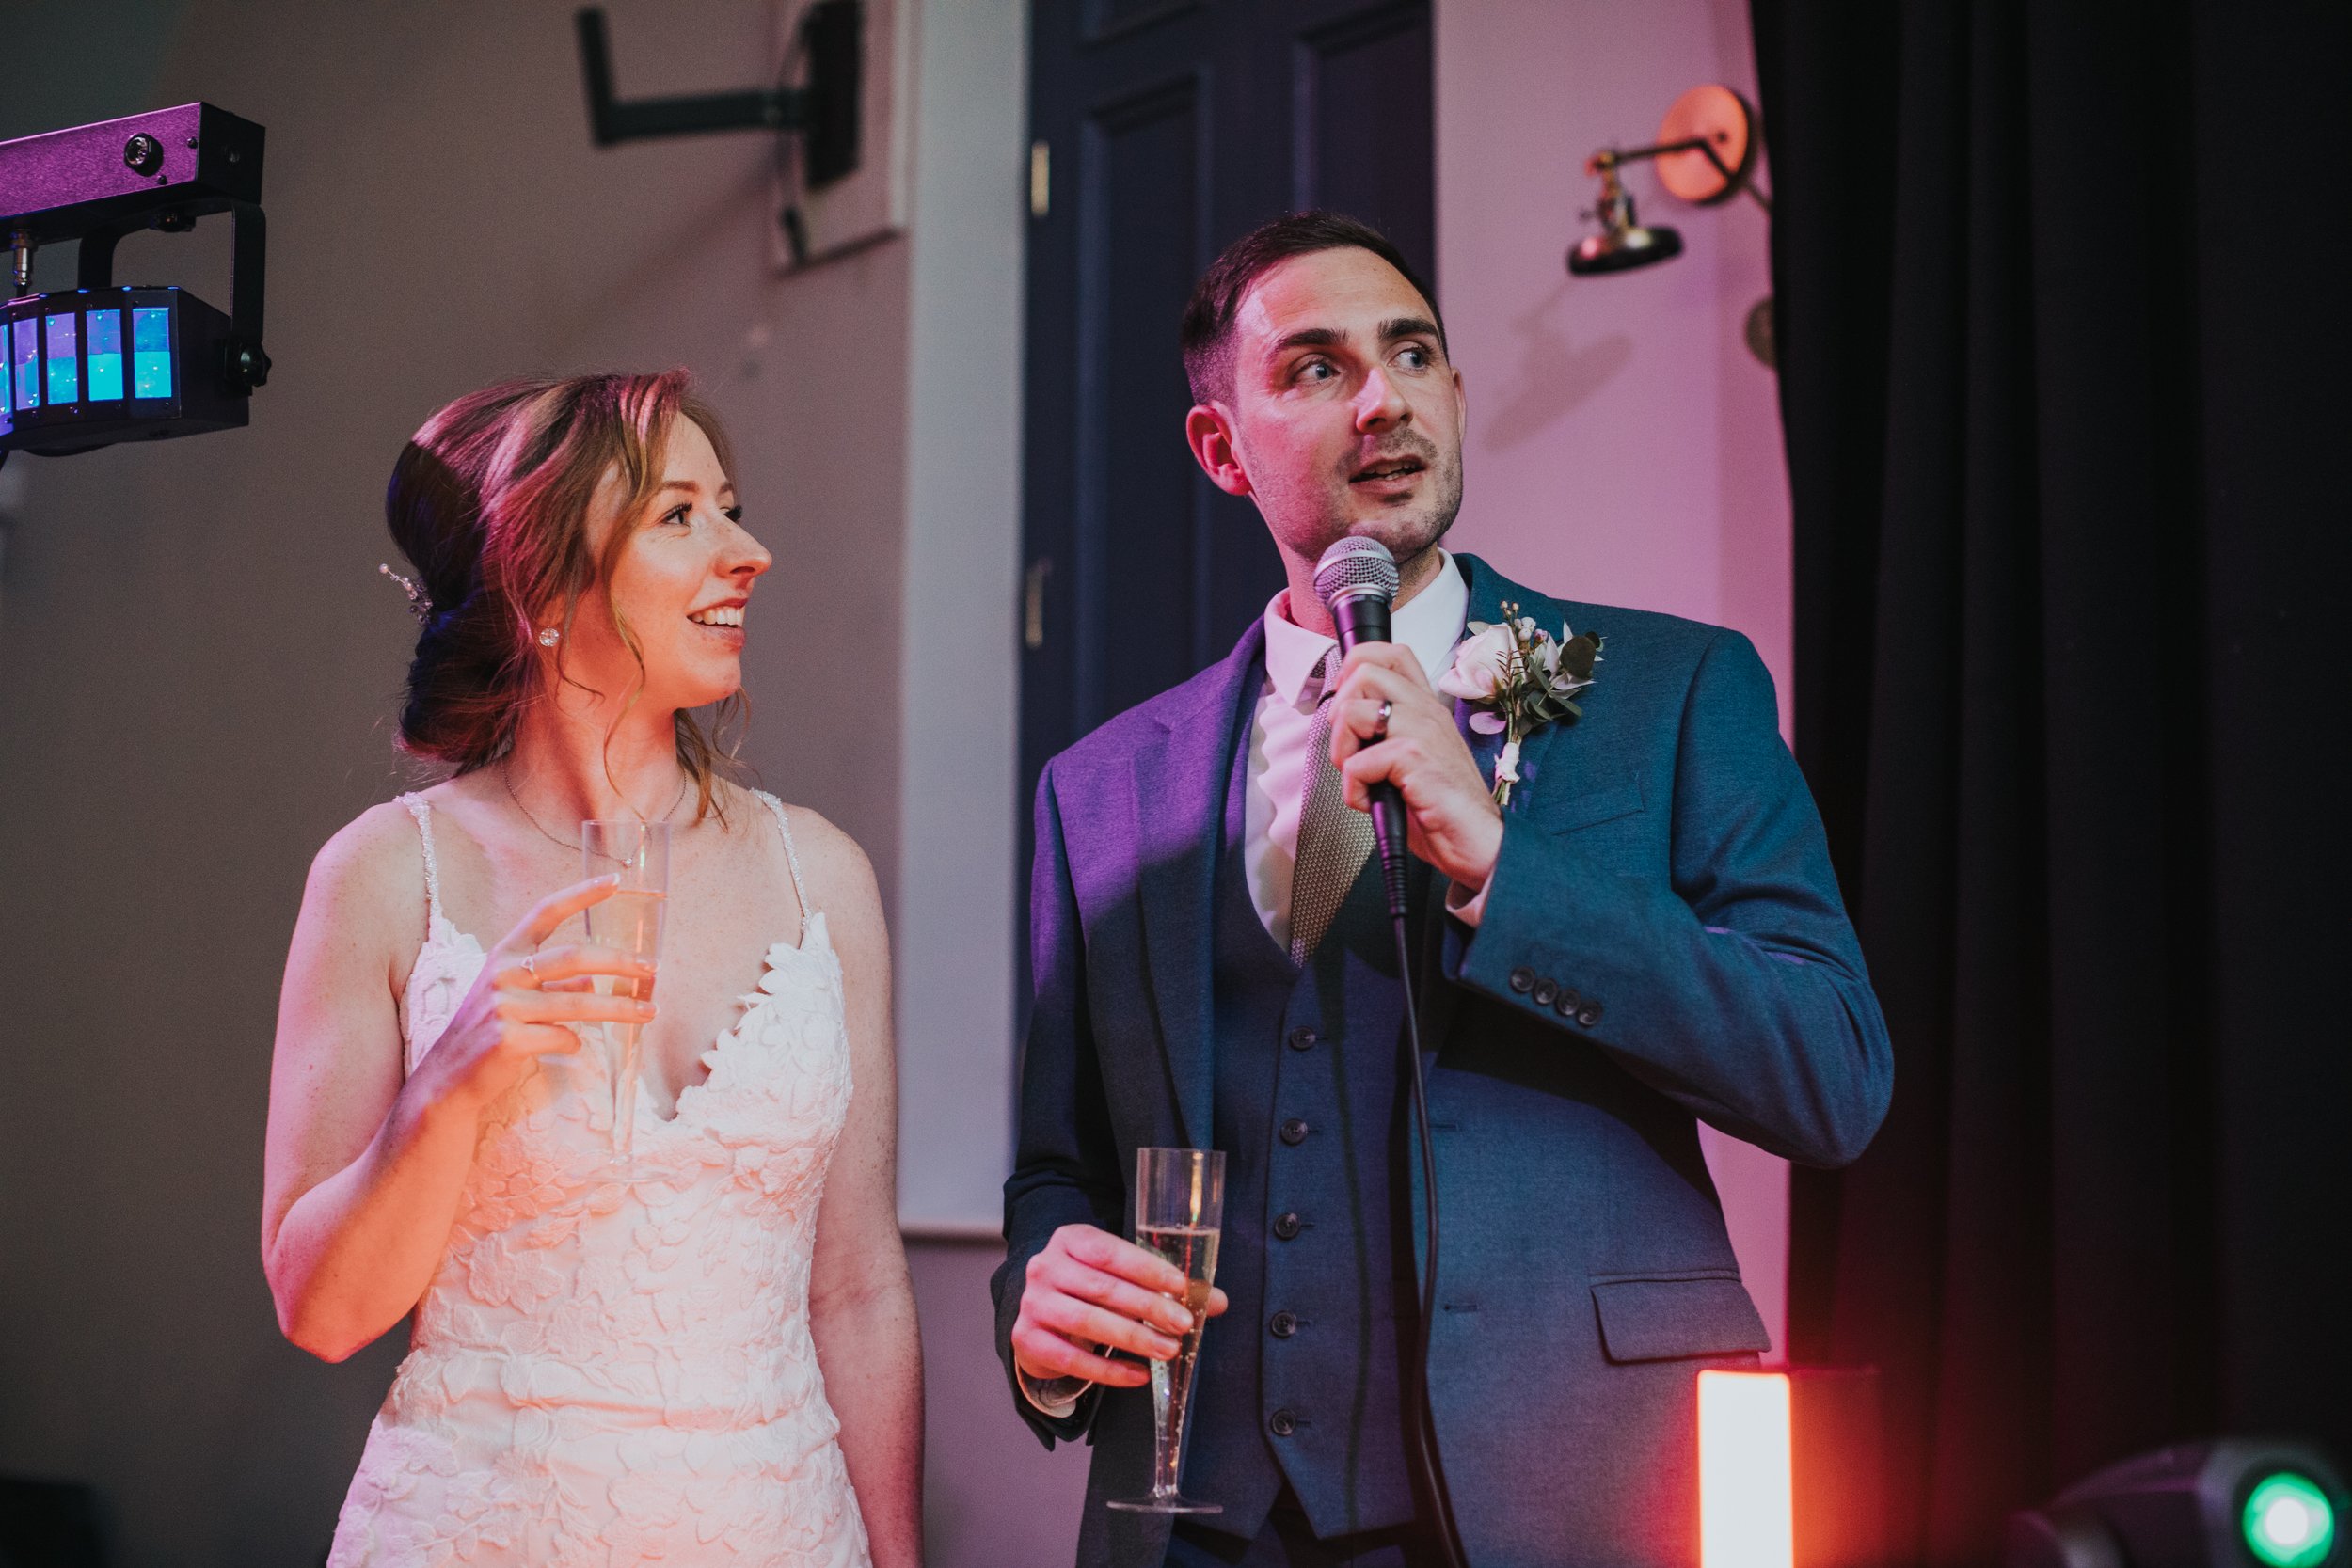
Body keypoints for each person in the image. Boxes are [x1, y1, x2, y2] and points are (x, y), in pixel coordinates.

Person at [993, 213, 1894, 1567]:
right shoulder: (1103, 785)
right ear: (1221, 450)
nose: (1381, 396)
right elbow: (1061, 1164)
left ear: (1456, 396)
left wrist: (1497, 859)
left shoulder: (1670, 692)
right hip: (1200, 1522)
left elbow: (1832, 1074)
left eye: (1412, 353)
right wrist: (1044, 1296)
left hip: (1575, 1496)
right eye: (1312, 368)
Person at [262, 372, 920, 1567]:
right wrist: (447, 1089)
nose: (750, 552)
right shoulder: (385, 875)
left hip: (775, 1528)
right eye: (681, 516)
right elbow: (321, 1311)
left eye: (730, 506)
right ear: (542, 586)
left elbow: (860, 1290)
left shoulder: (820, 873)